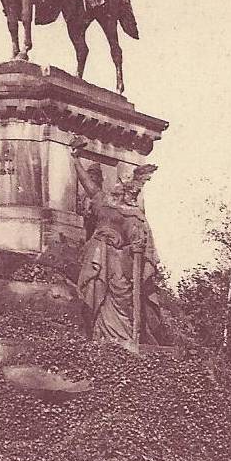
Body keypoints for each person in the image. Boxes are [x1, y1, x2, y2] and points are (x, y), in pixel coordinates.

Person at [70, 138, 161, 350]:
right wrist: (75, 159)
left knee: (119, 293)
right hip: (95, 253)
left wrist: (135, 245)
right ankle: (100, 333)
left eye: (124, 192)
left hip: (116, 258)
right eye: (119, 191)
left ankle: (120, 337)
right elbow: (87, 182)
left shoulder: (131, 216)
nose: (120, 194)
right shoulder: (102, 201)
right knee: (95, 288)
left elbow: (137, 242)